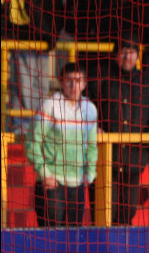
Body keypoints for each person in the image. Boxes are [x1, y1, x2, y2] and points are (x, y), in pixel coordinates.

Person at [88, 34, 149, 225]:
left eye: (132, 52)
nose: (128, 57)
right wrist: (95, 128)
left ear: (138, 56)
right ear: (115, 54)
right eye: (123, 52)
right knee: (104, 212)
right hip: (105, 158)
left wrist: (147, 139)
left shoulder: (148, 83)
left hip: (134, 157)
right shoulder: (101, 78)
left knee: (128, 212)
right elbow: (88, 107)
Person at [25, 63, 98, 227]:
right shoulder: (49, 106)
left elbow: (92, 146)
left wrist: (90, 173)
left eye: (78, 81)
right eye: (69, 81)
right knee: (50, 239)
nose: (74, 86)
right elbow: (31, 143)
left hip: (77, 183)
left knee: (73, 239)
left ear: (85, 83)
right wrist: (45, 173)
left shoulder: (90, 109)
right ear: (61, 82)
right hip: (52, 184)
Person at [2, 0, 64, 133]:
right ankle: (20, 130)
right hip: (19, 38)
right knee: (23, 87)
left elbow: (57, 7)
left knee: (41, 87)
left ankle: (39, 129)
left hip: (43, 41)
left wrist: (52, 34)